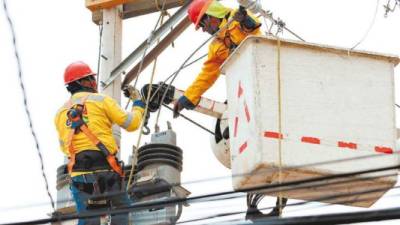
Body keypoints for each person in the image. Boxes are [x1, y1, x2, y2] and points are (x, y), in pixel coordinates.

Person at [54, 61, 145, 225]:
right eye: (91, 78)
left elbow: (64, 147)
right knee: (121, 210)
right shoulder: (101, 100)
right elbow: (131, 123)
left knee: (88, 219)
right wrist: (138, 103)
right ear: (82, 82)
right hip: (105, 170)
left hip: (79, 175)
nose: (94, 82)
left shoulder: (60, 113)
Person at [173, 0, 262, 117]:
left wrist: (245, 20)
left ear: (212, 14)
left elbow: (254, 27)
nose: (204, 30)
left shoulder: (236, 16)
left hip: (263, 66)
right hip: (247, 82)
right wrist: (187, 97)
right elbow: (207, 75)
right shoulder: (215, 46)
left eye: (202, 24)